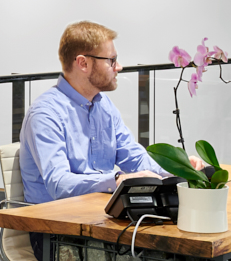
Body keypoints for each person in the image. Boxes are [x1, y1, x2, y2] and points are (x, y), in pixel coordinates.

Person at [19, 21, 156, 208]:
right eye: (111, 60)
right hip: (55, 227)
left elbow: (134, 157)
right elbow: (59, 185)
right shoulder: (45, 114)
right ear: (83, 63)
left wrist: (179, 172)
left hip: (97, 214)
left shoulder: (104, 105)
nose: (119, 67)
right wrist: (117, 179)